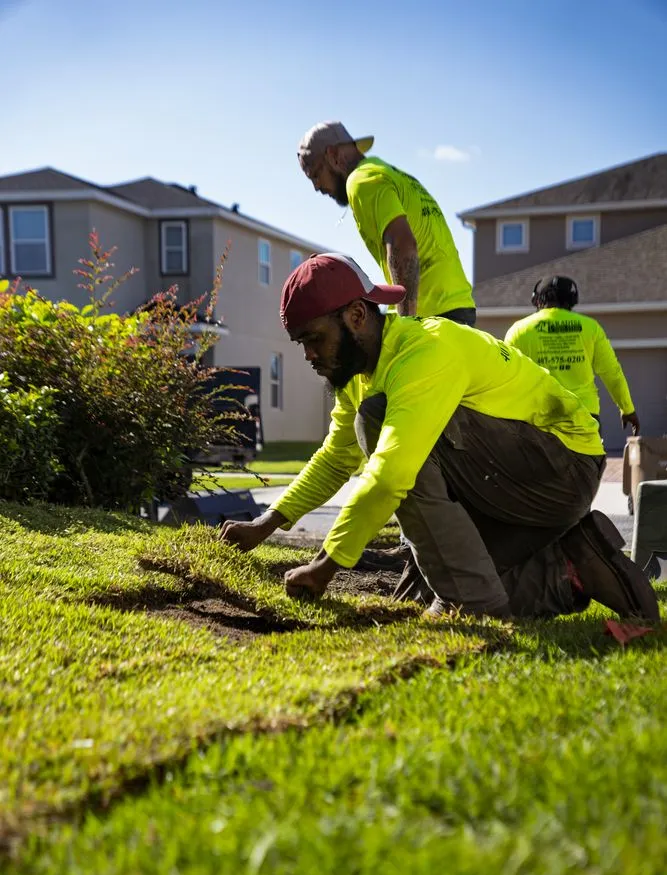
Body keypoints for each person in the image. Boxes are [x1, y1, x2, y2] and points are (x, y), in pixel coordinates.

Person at [220, 254, 659, 624]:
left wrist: (325, 565)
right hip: (518, 474)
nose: (309, 355)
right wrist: (265, 525)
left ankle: (470, 599)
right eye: (301, 344)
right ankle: (571, 566)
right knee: (430, 588)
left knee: (378, 422)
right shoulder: (360, 373)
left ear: (356, 315)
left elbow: (390, 474)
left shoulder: (422, 352)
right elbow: (337, 457)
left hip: (562, 465)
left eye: (314, 339)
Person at [297, 121, 476, 325]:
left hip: (434, 315)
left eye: (315, 174)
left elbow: (402, 244)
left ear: (332, 156)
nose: (316, 186)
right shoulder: (390, 174)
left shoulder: (362, 180)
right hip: (459, 306)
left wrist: (408, 323)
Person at [505, 275, 640, 434]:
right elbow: (612, 373)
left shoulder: (519, 331)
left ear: (536, 300)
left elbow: (506, 377)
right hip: (583, 416)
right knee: (588, 459)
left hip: (539, 418)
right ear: (572, 300)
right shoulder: (590, 328)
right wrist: (627, 408)